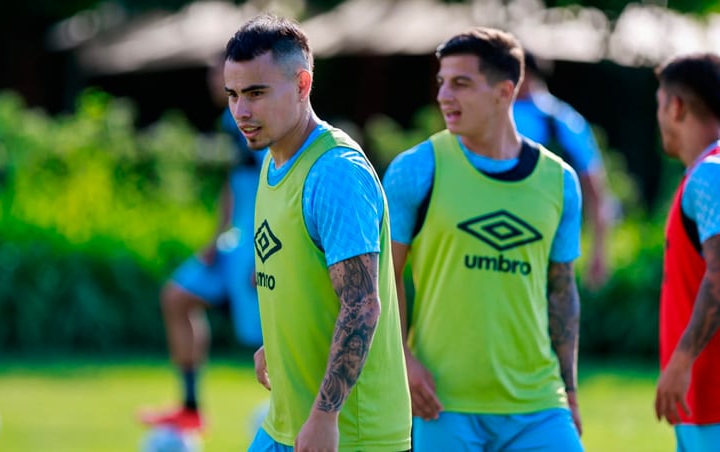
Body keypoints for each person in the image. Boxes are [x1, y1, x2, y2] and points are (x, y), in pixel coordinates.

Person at [382, 27, 583, 451]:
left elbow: (562, 291)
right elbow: (385, 276)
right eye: (441, 82)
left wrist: (571, 392)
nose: (443, 96)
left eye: (461, 83)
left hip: (539, 404)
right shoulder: (416, 169)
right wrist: (403, 359)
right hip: (442, 402)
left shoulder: (560, 181)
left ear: (504, 92)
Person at [223, 14, 411, 451]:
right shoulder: (273, 159)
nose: (241, 111)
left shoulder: (335, 174)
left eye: (255, 93)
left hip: (349, 434)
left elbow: (362, 305)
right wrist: (280, 345)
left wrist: (326, 417)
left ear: (303, 84)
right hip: (283, 423)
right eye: (232, 95)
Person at [138, 58, 266, 432]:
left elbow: (276, 186)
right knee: (176, 297)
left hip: (260, 247)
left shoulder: (266, 121)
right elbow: (235, 185)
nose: (217, 84)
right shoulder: (232, 121)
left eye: (221, 76)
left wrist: (267, 255)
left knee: (274, 338)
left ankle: (314, 420)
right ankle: (190, 407)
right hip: (232, 244)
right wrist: (215, 239)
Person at [653, 52, 720, 451]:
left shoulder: (710, 174)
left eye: (659, 105)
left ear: (676, 107)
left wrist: (681, 361)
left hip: (712, 399)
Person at [514, 51, 612, 290]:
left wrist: (599, 252)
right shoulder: (566, 119)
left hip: (545, 244)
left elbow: (595, 189)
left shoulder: (559, 121)